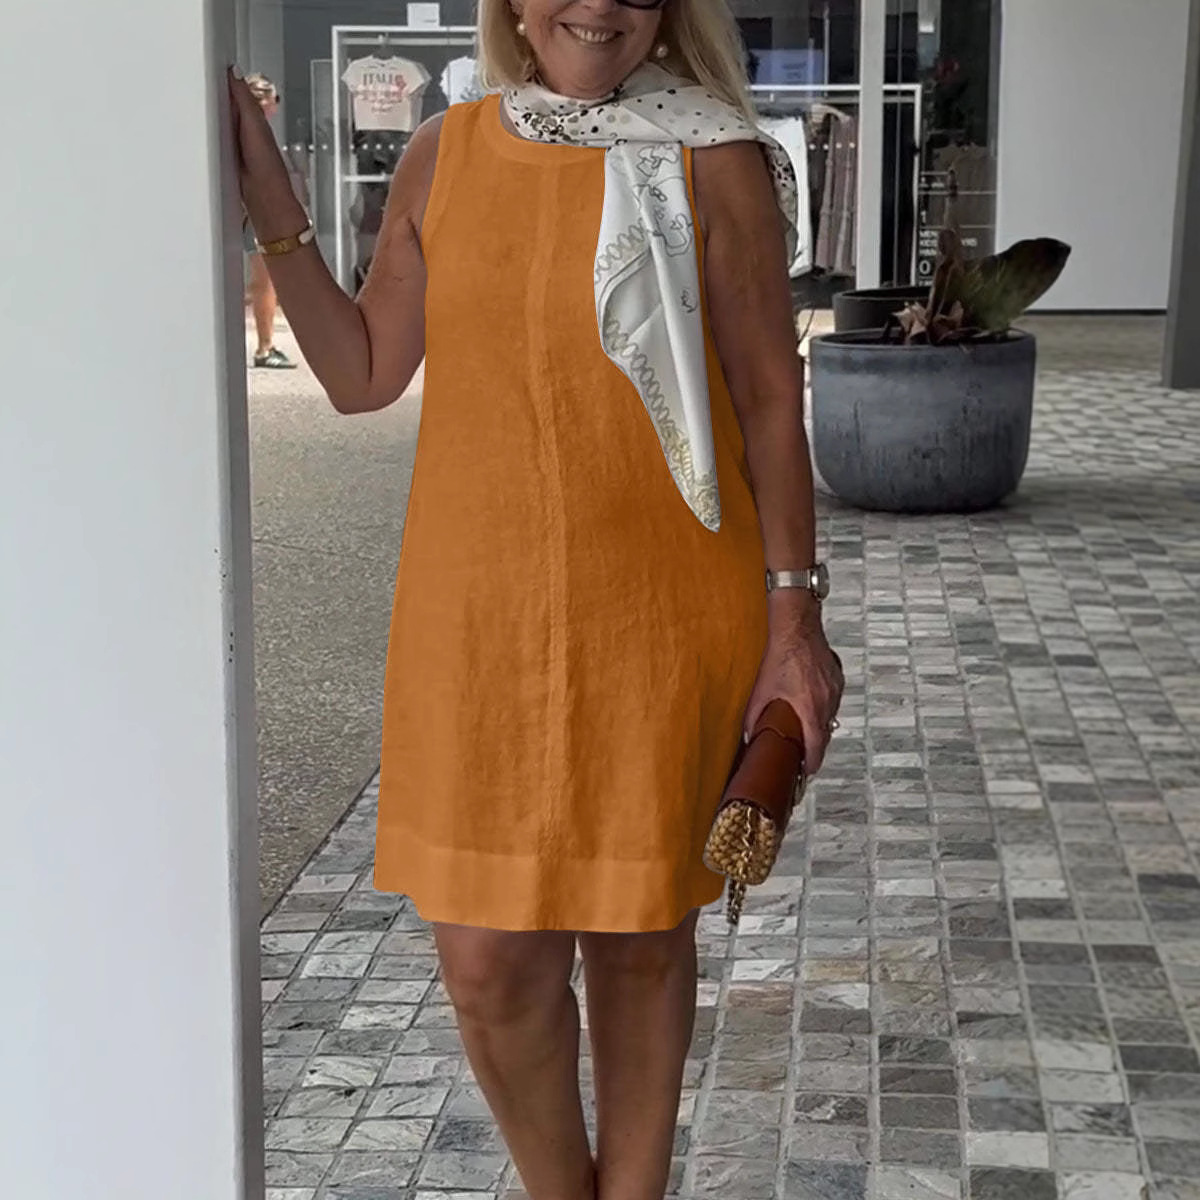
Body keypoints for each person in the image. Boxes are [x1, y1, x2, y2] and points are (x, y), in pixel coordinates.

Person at [230, 0, 844, 1194]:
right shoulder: (444, 152)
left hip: (661, 610)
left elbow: (772, 401)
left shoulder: (714, 156)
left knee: (637, 941)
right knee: (489, 965)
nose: (599, 7)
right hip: (476, 618)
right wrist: (273, 208)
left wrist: (795, 625)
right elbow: (362, 374)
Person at [243, 74, 296, 369]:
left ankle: (266, 345)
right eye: (274, 99)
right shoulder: (253, 133)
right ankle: (265, 347)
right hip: (254, 211)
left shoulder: (241, 130)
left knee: (263, 278)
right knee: (265, 279)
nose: (275, 106)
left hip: (247, 209)